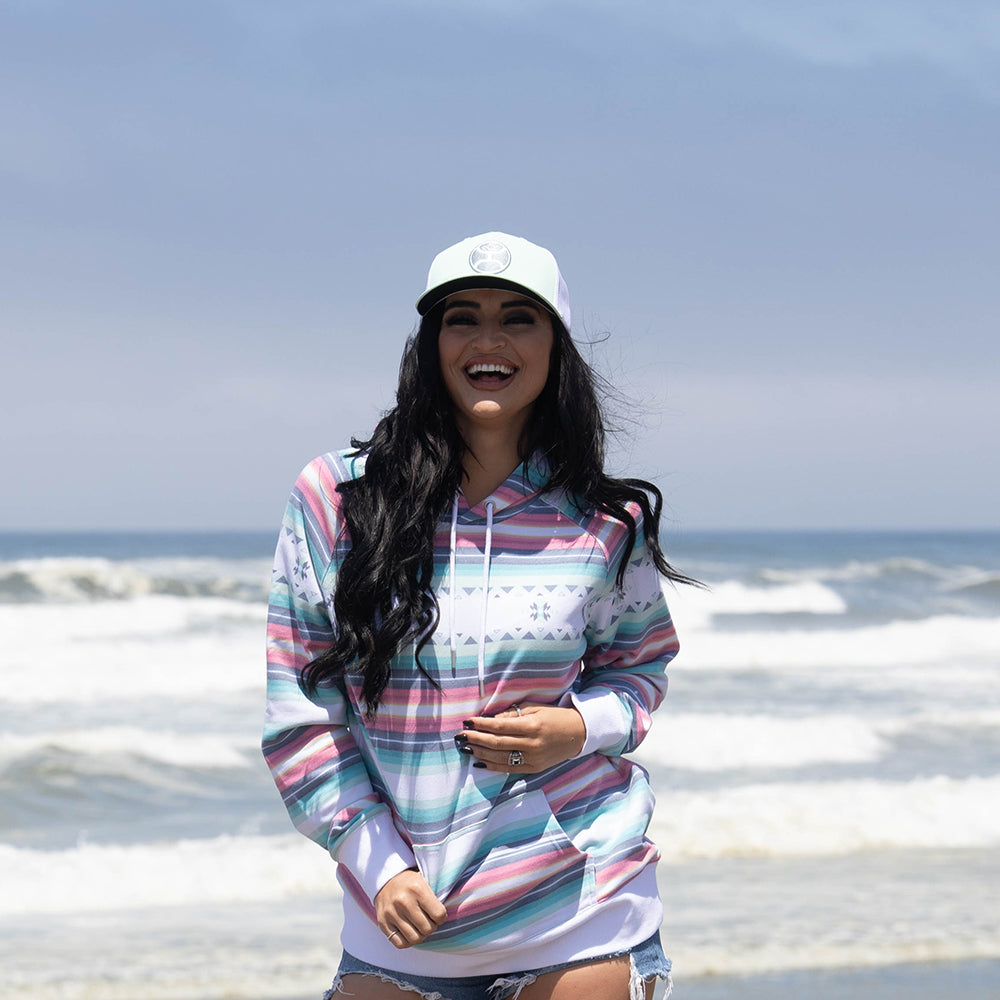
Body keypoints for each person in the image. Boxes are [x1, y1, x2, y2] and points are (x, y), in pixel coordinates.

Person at [263, 232, 692, 1000]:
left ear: (556, 345)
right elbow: (302, 716)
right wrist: (378, 862)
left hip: (582, 904)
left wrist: (576, 730)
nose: (488, 340)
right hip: (404, 924)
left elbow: (639, 670)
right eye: (462, 317)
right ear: (430, 343)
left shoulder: (606, 517)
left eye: (517, 318)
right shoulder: (338, 498)